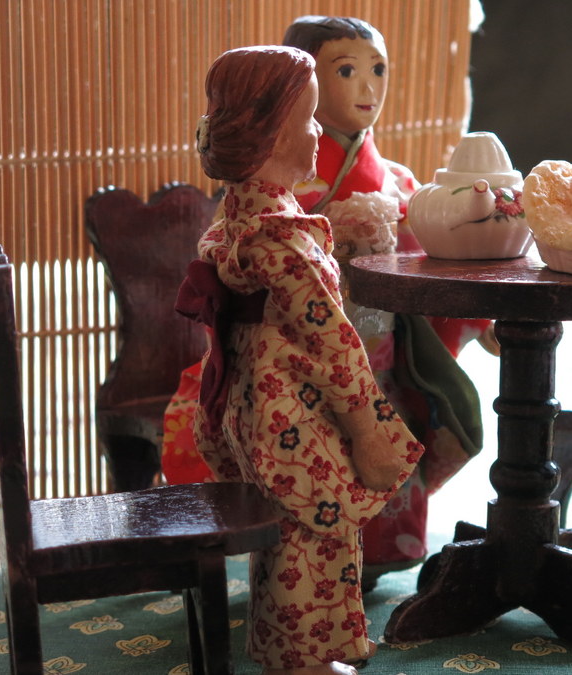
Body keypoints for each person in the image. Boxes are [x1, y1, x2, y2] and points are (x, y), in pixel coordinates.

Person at [180, 45, 423, 675]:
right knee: (315, 531)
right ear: (270, 132)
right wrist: (368, 428)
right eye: (310, 118)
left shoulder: (237, 220)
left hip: (253, 402)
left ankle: (291, 649)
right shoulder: (283, 242)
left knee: (289, 530)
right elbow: (333, 342)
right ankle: (305, 660)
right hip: (295, 410)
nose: (319, 132)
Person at [282, 15, 492, 582]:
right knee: (319, 455)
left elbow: (432, 264)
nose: (368, 87)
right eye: (345, 70)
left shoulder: (397, 181)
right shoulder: (282, 183)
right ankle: (314, 569)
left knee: (391, 439)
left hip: (384, 354)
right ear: (301, 82)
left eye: (378, 69)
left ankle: (376, 558)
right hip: (303, 355)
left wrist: (478, 315)